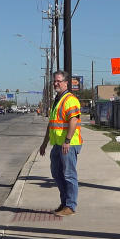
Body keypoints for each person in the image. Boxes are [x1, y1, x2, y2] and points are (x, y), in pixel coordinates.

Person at [38, 70, 82, 216]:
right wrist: (44, 143)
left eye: (58, 81)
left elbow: (73, 121)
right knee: (57, 173)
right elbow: (51, 124)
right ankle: (64, 203)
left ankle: (70, 206)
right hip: (57, 144)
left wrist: (68, 141)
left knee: (69, 175)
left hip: (68, 144)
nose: (56, 83)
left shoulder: (70, 99)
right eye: (54, 81)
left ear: (66, 82)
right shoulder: (57, 100)